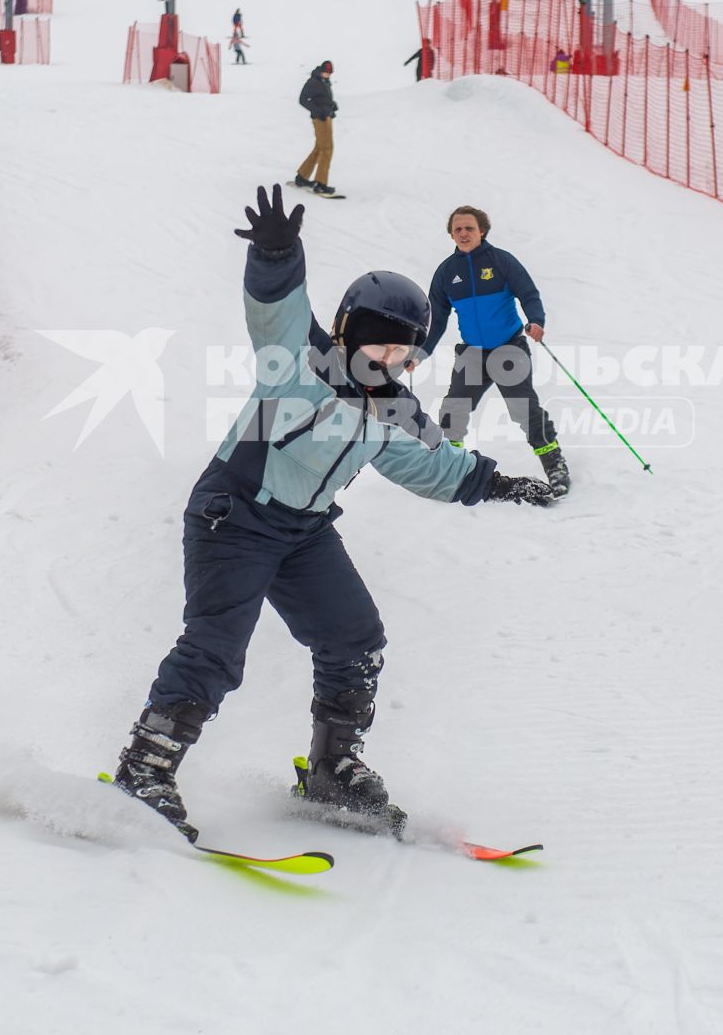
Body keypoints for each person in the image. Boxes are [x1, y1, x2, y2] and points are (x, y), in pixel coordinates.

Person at [109, 186, 554, 840]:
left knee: (355, 640)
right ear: (347, 329)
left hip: (304, 531)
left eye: (403, 348)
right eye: (377, 341)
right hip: (235, 514)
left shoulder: (395, 407)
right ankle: (145, 769)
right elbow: (276, 310)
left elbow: (432, 465)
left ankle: (332, 770)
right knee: (216, 648)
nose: (388, 357)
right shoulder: (299, 359)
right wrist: (277, 254)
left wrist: (497, 484)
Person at [413, 206, 569, 497]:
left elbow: (528, 293)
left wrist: (536, 321)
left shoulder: (501, 262)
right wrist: (419, 353)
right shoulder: (447, 273)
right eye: (457, 229)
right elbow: (437, 318)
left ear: (481, 230)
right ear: (451, 234)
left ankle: (554, 463)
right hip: (472, 353)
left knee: (524, 409)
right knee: (453, 409)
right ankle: (450, 466)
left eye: (469, 228)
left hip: (508, 348)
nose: (463, 233)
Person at [293, 61, 339, 197]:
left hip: (326, 117)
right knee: (327, 149)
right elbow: (302, 99)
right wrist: (319, 111)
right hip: (320, 119)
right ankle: (320, 184)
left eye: (330, 73)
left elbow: (321, 98)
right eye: (327, 72)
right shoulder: (313, 81)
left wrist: (331, 105)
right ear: (321, 70)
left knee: (320, 148)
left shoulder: (324, 80)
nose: (328, 75)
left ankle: (302, 176)